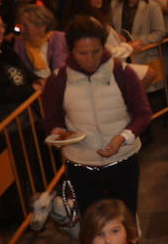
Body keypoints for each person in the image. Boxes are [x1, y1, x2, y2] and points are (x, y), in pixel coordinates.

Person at [42, 18, 153, 216]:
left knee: (125, 220)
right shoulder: (58, 79)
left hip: (123, 160)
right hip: (80, 164)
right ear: (70, 51)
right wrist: (57, 132)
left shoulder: (123, 72)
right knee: (93, 225)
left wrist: (123, 137)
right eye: (82, 53)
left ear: (104, 47)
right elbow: (51, 117)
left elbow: (142, 113)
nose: (90, 59)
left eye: (95, 51)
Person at [15, 3, 68, 80]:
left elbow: (60, 70)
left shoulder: (59, 38)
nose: (22, 29)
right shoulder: (19, 42)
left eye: (26, 26)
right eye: (21, 25)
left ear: (42, 26)